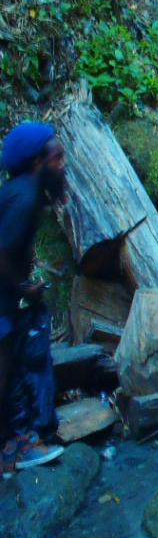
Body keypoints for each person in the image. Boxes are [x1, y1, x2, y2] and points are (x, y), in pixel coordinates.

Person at [0, 122, 67, 478]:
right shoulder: (24, 196)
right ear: (38, 162)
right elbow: (2, 252)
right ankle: (11, 447)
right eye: (57, 159)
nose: (62, 165)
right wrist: (24, 289)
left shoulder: (21, 192)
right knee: (4, 367)